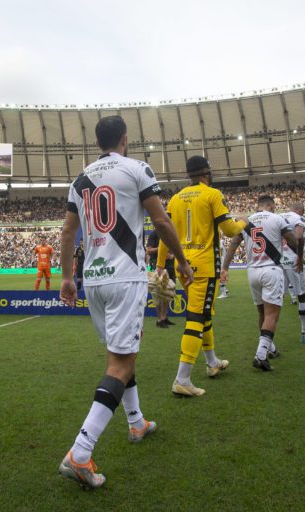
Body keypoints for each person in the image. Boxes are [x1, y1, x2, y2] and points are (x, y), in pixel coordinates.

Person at [57, 115, 193, 489]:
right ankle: (79, 453)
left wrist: (68, 277)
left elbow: (69, 232)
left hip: (94, 282)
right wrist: (181, 261)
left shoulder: (80, 178)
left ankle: (136, 423)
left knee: (121, 354)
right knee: (121, 363)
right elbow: (161, 221)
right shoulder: (137, 168)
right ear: (124, 139)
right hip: (125, 277)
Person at [157, 155, 248, 397]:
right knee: (197, 317)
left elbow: (166, 234)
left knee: (204, 314)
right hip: (204, 268)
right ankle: (182, 378)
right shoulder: (212, 194)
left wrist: (159, 265)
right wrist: (242, 222)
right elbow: (229, 229)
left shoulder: (175, 199)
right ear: (206, 173)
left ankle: (212, 362)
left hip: (182, 265)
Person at [222, 195, 300, 370]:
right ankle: (260, 355)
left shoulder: (246, 221)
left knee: (262, 314)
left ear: (258, 206)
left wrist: (225, 268)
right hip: (271, 269)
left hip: (253, 272)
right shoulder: (277, 218)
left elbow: (233, 245)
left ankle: (269, 348)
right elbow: (293, 241)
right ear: (271, 206)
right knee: (272, 315)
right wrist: (301, 256)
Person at [280, 203, 305, 344]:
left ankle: (267, 338)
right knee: (303, 295)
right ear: (300, 210)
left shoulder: (279, 217)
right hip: (293, 260)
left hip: (279, 260)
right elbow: (298, 237)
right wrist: (299, 256)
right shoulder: (298, 218)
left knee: (276, 298)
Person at [146, 230, 174, 327]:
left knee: (168, 292)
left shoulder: (171, 233)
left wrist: (172, 255)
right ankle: (159, 319)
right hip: (158, 266)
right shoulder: (154, 233)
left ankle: (164, 317)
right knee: (157, 293)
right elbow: (148, 250)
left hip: (170, 265)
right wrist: (162, 249)